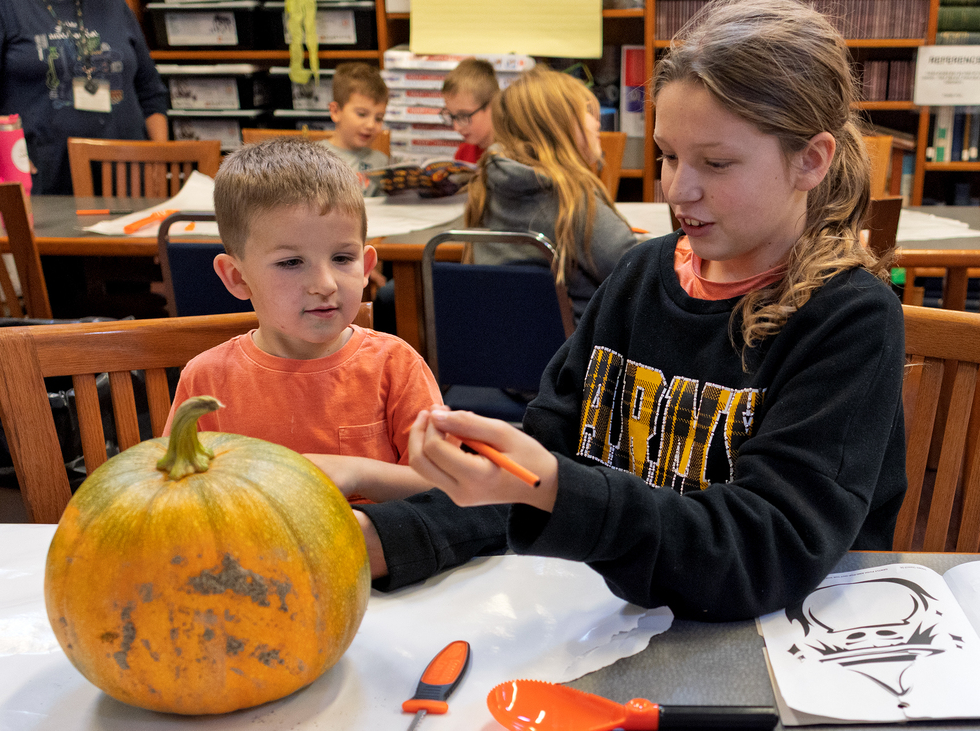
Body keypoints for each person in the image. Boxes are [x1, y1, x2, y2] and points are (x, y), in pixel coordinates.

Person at [355, 0, 908, 622]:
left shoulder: (851, 318)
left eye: (716, 163)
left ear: (811, 159)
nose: (677, 189)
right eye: (668, 156)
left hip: (782, 648)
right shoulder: (643, 275)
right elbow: (528, 466)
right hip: (616, 624)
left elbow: (765, 552)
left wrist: (558, 490)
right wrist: (380, 540)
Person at [163, 138, 441, 505]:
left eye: (342, 258)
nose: (325, 285)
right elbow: (176, 492)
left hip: (371, 554)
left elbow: (446, 487)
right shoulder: (205, 380)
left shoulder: (396, 367)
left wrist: (359, 474)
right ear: (236, 277)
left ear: (366, 269)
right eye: (291, 263)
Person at [464, 66, 641, 324]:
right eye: (587, 112)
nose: (597, 121)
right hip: (581, 356)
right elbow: (638, 272)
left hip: (502, 351)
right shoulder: (570, 199)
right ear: (558, 127)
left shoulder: (487, 187)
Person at [0, 0, 168, 195]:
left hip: (129, 178)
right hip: (46, 178)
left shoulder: (114, 6)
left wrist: (160, 162)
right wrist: (4, 150)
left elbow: (150, 90)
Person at [318, 62, 389, 197]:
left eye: (379, 118)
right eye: (362, 114)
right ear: (336, 111)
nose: (371, 125)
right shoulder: (313, 160)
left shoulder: (381, 162)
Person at [441, 58, 498, 164]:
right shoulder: (463, 153)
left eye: (463, 116)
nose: (456, 127)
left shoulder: (514, 157)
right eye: (452, 116)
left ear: (492, 105)